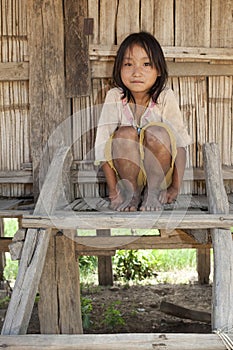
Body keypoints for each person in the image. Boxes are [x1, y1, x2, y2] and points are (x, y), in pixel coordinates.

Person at [94, 31, 192, 212]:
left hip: (160, 173)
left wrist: (175, 188)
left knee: (157, 132)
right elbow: (101, 147)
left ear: (159, 70)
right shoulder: (115, 97)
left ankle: (152, 193)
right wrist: (114, 192)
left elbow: (180, 144)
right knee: (124, 133)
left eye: (146, 64)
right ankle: (133, 193)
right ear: (119, 68)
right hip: (127, 174)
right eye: (128, 64)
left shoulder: (164, 97)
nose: (136, 72)